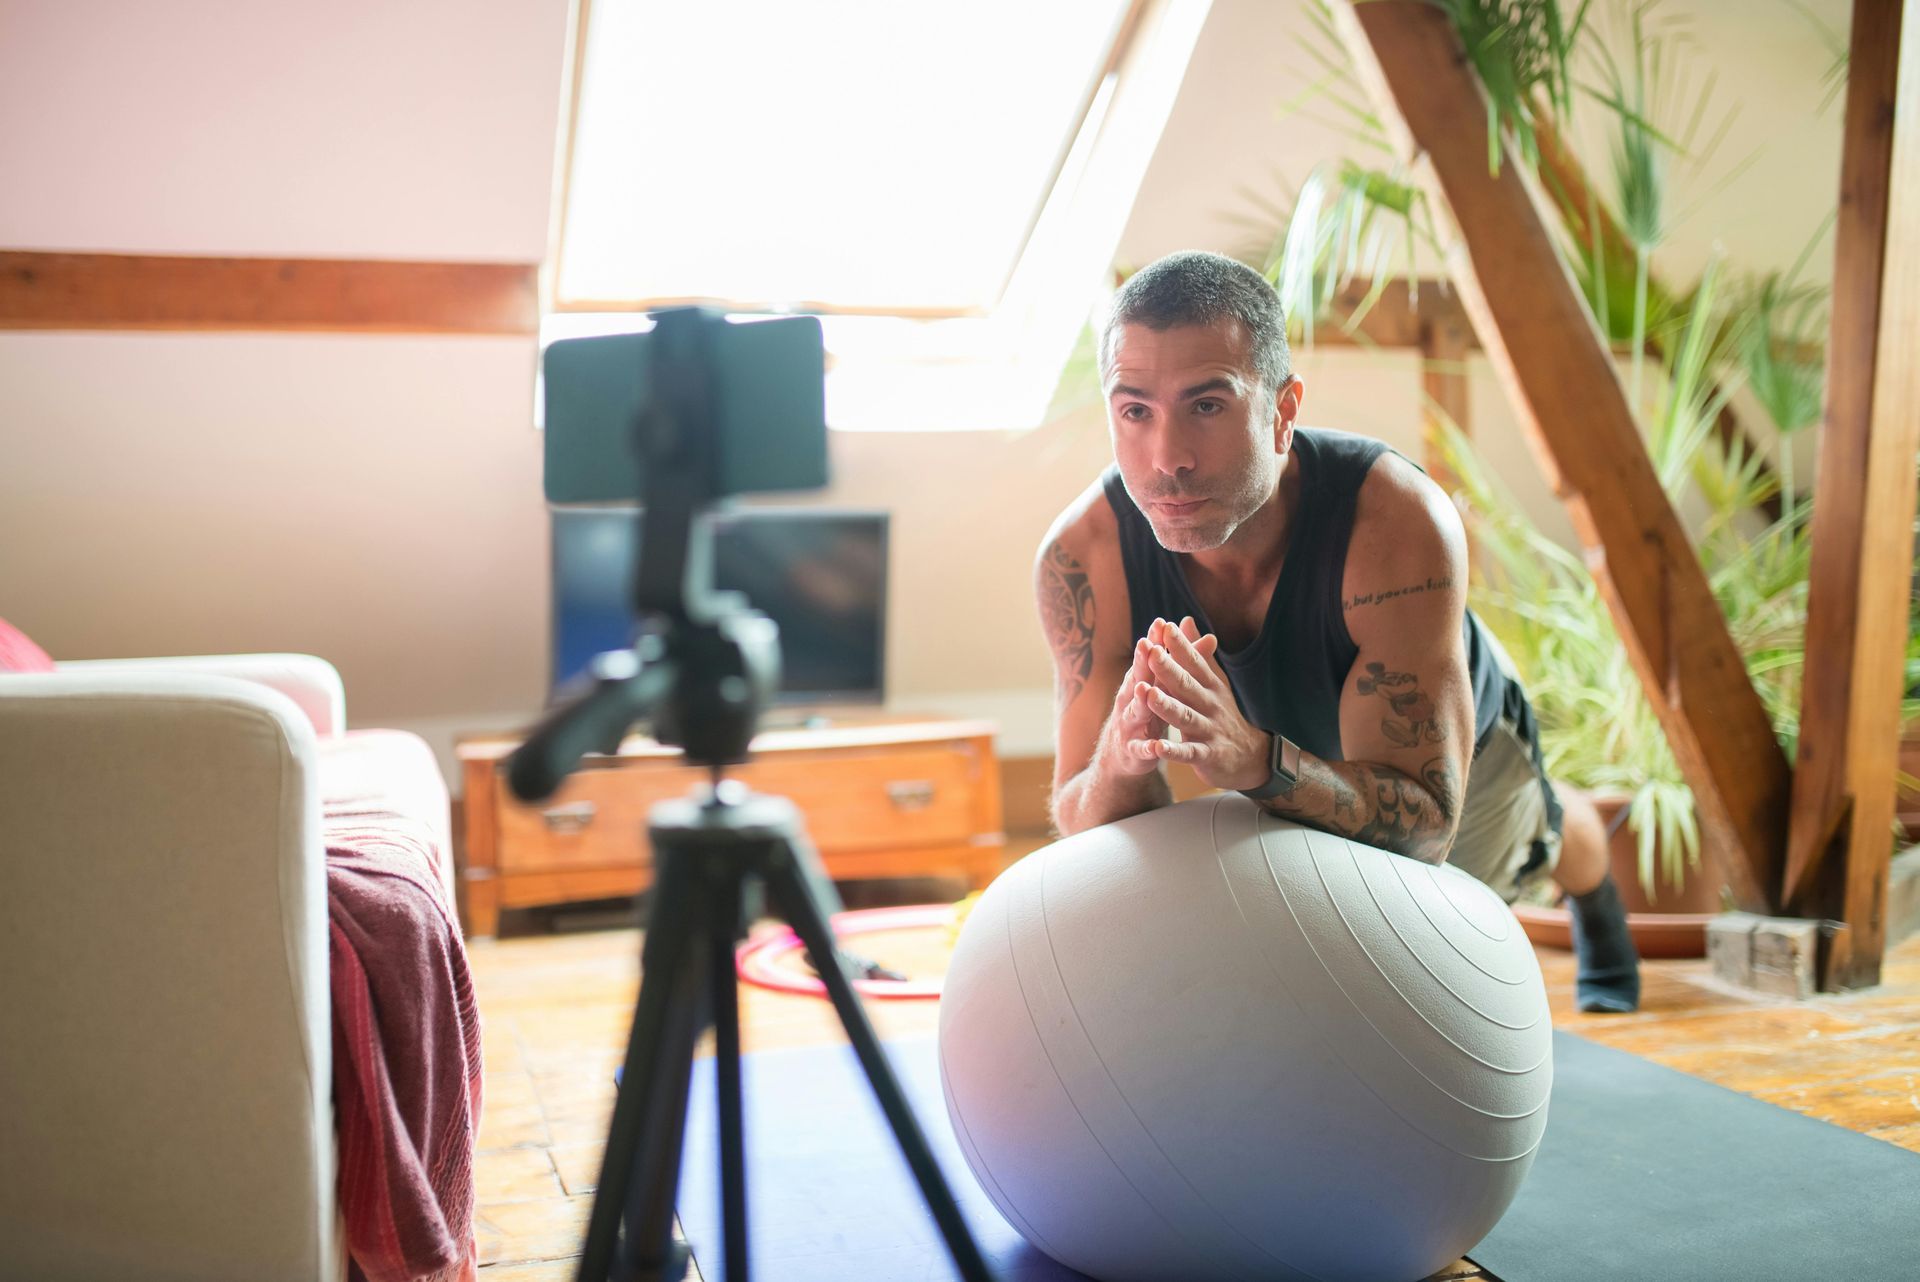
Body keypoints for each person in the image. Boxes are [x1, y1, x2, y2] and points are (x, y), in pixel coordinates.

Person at [1035, 250, 1639, 1013]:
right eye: (1135, 412)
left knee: (1489, 892)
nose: (1168, 460)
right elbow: (1076, 810)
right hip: (1296, 749)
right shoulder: (1083, 559)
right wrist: (1120, 764)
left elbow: (1423, 826)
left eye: (1208, 406)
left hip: (1462, 760)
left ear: (1283, 412)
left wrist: (1254, 760)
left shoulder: (1394, 520)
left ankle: (1582, 863)